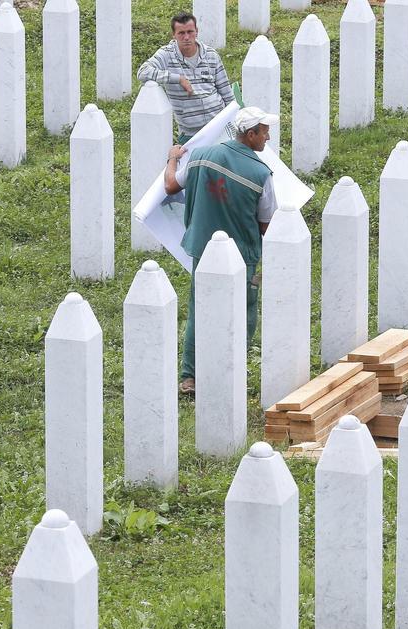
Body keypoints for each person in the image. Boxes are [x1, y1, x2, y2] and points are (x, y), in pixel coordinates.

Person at [164, 107, 279, 395]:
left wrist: (172, 159)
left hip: (203, 248)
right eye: (264, 131)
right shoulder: (261, 173)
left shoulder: (201, 156)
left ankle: (189, 377)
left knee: (198, 310)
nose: (268, 136)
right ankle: (231, 373)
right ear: (250, 135)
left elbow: (170, 185)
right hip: (243, 254)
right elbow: (268, 225)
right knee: (245, 312)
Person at [137, 12, 235, 144]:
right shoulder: (166, 54)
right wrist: (178, 78)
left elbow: (227, 94)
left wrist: (236, 123)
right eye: (181, 33)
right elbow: (143, 72)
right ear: (174, 35)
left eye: (190, 32)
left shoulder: (211, 55)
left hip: (219, 127)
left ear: (197, 32)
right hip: (190, 133)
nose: (186, 37)